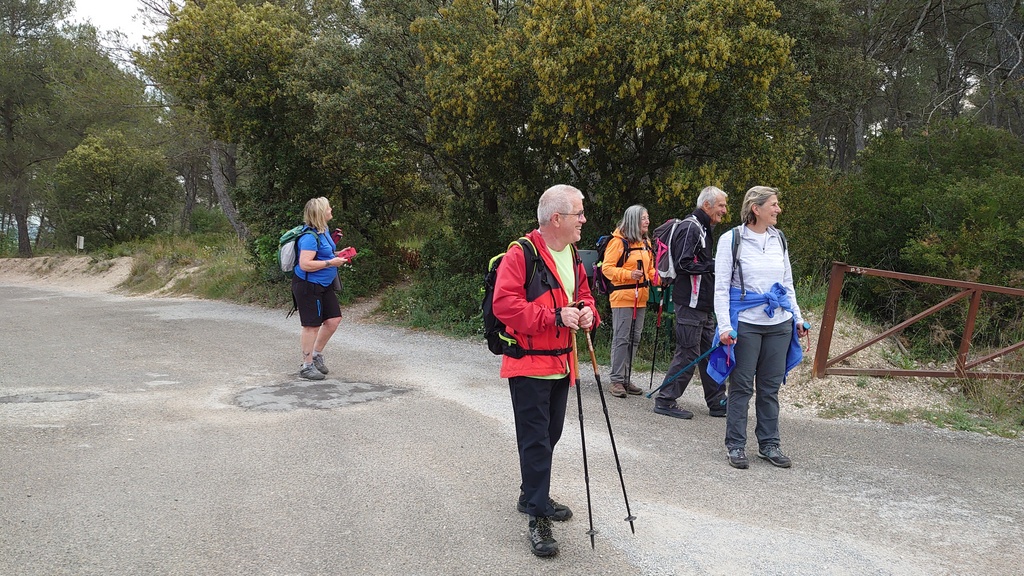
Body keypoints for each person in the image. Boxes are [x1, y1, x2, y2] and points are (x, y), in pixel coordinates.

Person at [491, 184, 600, 558]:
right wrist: (554, 316)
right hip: (528, 364)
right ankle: (537, 515)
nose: (584, 219)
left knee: (549, 435)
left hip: (562, 362)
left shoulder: (571, 254)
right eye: (579, 213)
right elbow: (505, 306)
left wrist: (587, 312)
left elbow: (584, 294)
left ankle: (530, 495)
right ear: (557, 218)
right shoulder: (521, 254)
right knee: (536, 441)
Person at [712, 186, 808, 469]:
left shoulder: (779, 239)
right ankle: (736, 446)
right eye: (774, 205)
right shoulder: (732, 239)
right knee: (741, 387)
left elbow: (787, 284)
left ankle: (769, 444)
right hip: (746, 325)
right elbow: (720, 288)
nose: (778, 210)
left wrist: (798, 318)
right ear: (756, 208)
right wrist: (725, 327)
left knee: (770, 388)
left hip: (779, 323)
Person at [653, 186, 729, 419]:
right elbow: (683, 264)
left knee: (710, 353)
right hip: (690, 304)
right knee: (688, 352)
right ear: (706, 205)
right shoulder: (690, 227)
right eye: (721, 206)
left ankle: (717, 401)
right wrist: (713, 265)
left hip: (704, 304)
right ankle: (665, 399)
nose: (724, 211)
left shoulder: (705, 229)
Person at [292, 197, 352, 381]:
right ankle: (307, 366)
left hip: (324, 284)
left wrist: (338, 255)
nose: (331, 209)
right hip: (308, 285)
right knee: (311, 326)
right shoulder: (309, 237)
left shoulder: (323, 231)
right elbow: (305, 264)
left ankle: (316, 355)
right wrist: (330, 263)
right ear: (320, 213)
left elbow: (324, 254)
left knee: (333, 320)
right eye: (328, 208)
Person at [601, 205, 657, 398]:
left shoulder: (645, 242)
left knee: (634, 339)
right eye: (643, 218)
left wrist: (655, 277)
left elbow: (649, 268)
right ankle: (617, 380)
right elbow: (607, 269)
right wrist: (629, 274)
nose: (647, 221)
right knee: (621, 338)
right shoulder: (618, 242)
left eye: (647, 217)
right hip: (622, 297)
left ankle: (625, 378)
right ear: (633, 220)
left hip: (640, 298)